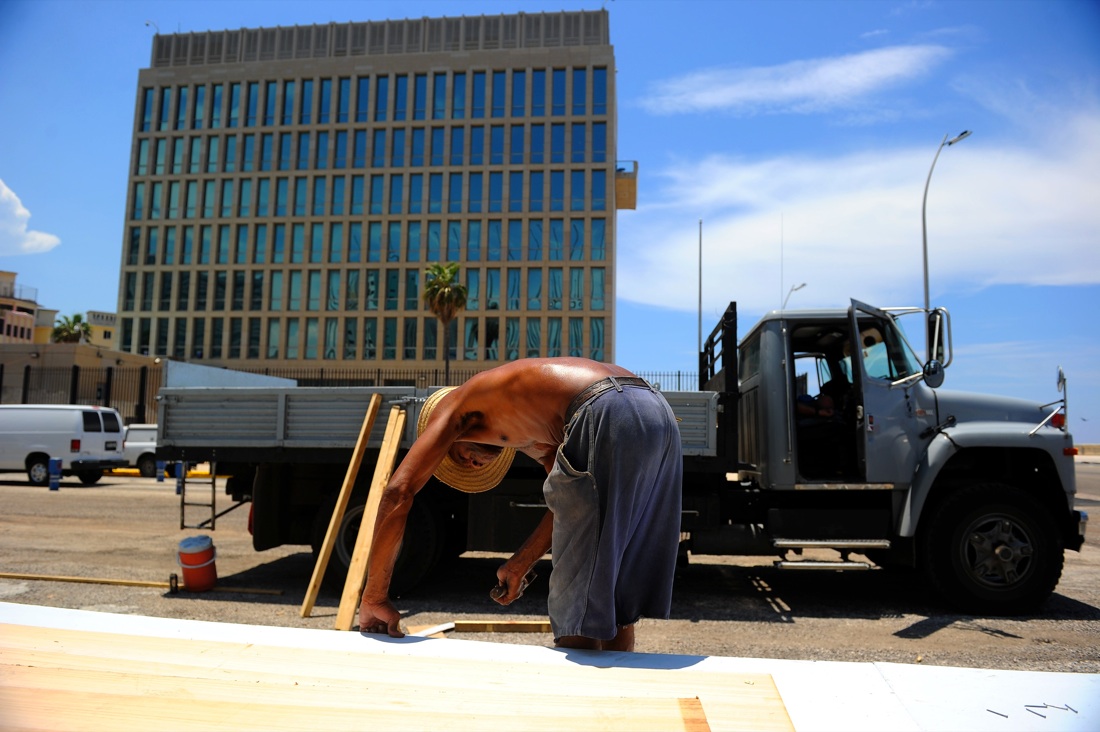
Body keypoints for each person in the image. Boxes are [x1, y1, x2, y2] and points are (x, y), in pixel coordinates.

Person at [357, 357, 683, 652]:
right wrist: (520, 563)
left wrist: (373, 598)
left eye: (458, 456)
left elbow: (397, 493)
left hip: (603, 406)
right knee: (612, 585)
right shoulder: (533, 427)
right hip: (656, 411)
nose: (471, 464)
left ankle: (584, 699)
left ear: (445, 437)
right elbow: (569, 507)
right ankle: (618, 695)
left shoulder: (455, 406)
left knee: (575, 599)